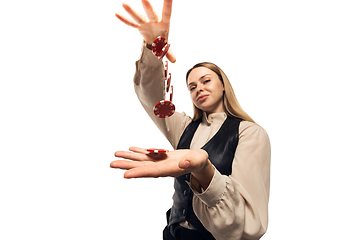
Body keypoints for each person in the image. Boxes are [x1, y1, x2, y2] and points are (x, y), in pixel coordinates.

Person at [110, 1, 271, 239]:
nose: (198, 89)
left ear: (224, 86)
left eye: (206, 81)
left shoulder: (249, 132)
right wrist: (153, 49)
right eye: (192, 87)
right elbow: (151, 98)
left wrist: (204, 170)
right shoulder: (185, 127)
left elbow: (249, 222)